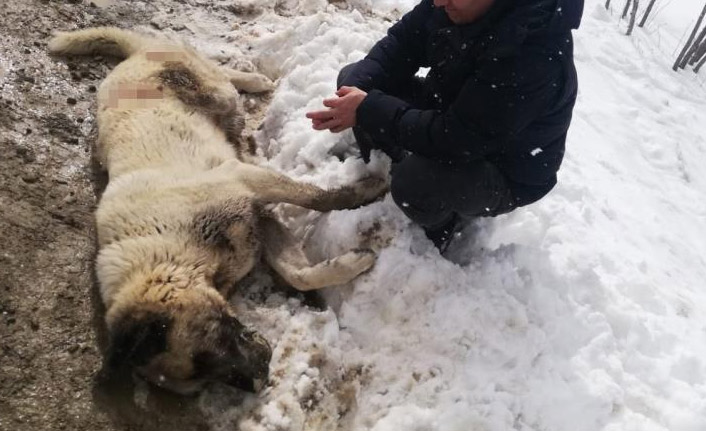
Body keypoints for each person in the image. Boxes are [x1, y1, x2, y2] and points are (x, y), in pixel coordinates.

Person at [306, 0, 584, 252]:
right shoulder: (459, 4)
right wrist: (360, 90)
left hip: (503, 167)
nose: (438, 2)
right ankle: (386, 168)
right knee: (354, 86)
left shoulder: (531, 52)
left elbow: (459, 139)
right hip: (453, 111)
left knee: (416, 179)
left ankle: (440, 228)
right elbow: (402, 44)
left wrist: (369, 110)